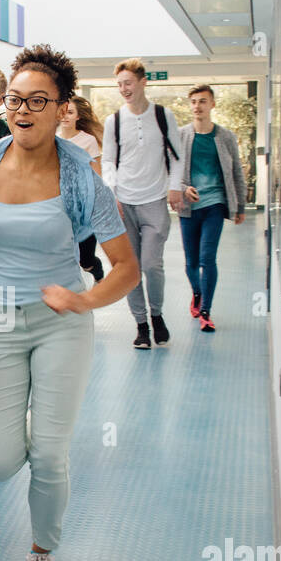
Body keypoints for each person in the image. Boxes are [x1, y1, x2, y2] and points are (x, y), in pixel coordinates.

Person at [0, 45, 139, 561]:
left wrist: (86, 301)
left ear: (61, 109)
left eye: (37, 101)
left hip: (60, 321)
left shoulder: (83, 180)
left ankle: (42, 553)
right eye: (15, 100)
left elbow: (126, 268)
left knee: (49, 451)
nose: (23, 110)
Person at [101, 58, 193, 350]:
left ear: (143, 82)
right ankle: (141, 324)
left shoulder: (164, 116)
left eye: (128, 83)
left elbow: (177, 157)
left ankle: (157, 315)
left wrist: (174, 188)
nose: (123, 89)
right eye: (119, 85)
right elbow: (107, 160)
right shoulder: (113, 121)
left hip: (154, 201)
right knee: (130, 268)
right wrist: (112, 192)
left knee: (152, 264)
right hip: (123, 202)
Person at [173, 84, 247, 333]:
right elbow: (169, 171)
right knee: (191, 262)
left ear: (212, 104)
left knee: (207, 258)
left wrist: (240, 206)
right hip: (188, 207)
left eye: (203, 101)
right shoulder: (181, 135)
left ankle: (206, 311)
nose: (197, 106)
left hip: (215, 204)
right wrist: (183, 188)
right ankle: (197, 292)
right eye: (193, 101)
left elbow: (236, 170)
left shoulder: (225, 136)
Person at [57, 95, 107, 281]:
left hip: (84, 209)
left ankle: (97, 270)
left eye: (70, 112)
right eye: (63, 111)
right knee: (65, 258)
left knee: (85, 261)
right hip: (60, 207)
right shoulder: (53, 140)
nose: (66, 116)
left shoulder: (88, 141)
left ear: (78, 116)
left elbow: (97, 176)